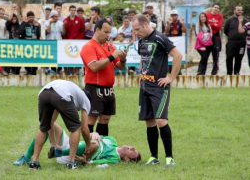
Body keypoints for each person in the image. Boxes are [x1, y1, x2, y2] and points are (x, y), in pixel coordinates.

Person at [131, 14, 182, 167]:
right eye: (134, 30)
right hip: (145, 86)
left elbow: (177, 55)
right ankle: (154, 157)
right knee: (149, 121)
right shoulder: (141, 40)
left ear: (146, 24)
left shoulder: (160, 38)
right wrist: (142, 74)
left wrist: (170, 78)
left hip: (159, 87)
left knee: (160, 120)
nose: (136, 33)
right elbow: (143, 58)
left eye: (138, 29)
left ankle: (169, 158)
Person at [29, 80, 93, 170]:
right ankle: (71, 163)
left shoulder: (72, 91)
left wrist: (54, 144)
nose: (78, 110)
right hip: (60, 95)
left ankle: (34, 163)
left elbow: (51, 122)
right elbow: (84, 129)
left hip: (44, 92)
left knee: (43, 127)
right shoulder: (86, 100)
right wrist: (88, 144)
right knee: (75, 128)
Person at [80, 19, 127, 136]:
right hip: (94, 88)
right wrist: (111, 57)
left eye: (109, 32)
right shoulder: (89, 46)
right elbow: (94, 67)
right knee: (91, 120)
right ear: (97, 30)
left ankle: (103, 148)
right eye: (106, 32)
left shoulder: (110, 46)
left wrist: (123, 59)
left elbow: (120, 67)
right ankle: (89, 147)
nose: (108, 35)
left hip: (109, 89)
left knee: (105, 119)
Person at [49, 130, 141, 165]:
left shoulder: (114, 158)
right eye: (134, 148)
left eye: (133, 152)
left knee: (95, 145)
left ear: (126, 159)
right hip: (72, 144)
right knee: (49, 124)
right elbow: (89, 135)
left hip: (74, 157)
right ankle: (34, 160)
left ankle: (59, 153)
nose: (132, 148)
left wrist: (85, 162)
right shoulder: (112, 140)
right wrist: (94, 133)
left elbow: (98, 164)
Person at [224, 5, 248, 75]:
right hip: (231, 42)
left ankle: (237, 72)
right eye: (238, 10)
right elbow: (225, 30)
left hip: (241, 42)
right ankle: (229, 72)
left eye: (241, 10)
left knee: (239, 58)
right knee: (229, 57)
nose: (240, 11)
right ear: (234, 11)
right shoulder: (229, 20)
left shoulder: (245, 21)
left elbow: (247, 31)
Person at [62, 5, 85, 76]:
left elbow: (82, 30)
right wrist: (63, 26)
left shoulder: (80, 19)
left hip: (77, 42)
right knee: (68, 57)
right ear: (69, 11)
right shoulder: (65, 20)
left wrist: (80, 40)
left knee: (77, 57)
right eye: (71, 10)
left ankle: (77, 72)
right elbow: (64, 33)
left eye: (74, 10)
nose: (73, 12)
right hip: (68, 43)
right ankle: (68, 73)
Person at [19, 11, 41, 75]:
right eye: (29, 17)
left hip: (35, 45)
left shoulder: (37, 24)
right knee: (27, 58)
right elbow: (20, 32)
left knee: (35, 58)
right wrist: (24, 23)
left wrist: (38, 26)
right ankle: (28, 71)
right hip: (26, 44)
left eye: (32, 17)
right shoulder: (24, 24)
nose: (31, 18)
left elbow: (40, 34)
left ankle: (34, 70)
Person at [206, 3, 223, 75]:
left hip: (216, 36)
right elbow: (206, 25)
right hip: (207, 36)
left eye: (217, 8)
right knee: (205, 55)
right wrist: (213, 25)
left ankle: (214, 73)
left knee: (216, 55)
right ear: (212, 8)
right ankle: (201, 72)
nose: (216, 9)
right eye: (215, 7)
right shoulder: (207, 15)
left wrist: (210, 24)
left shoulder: (220, 16)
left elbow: (219, 27)